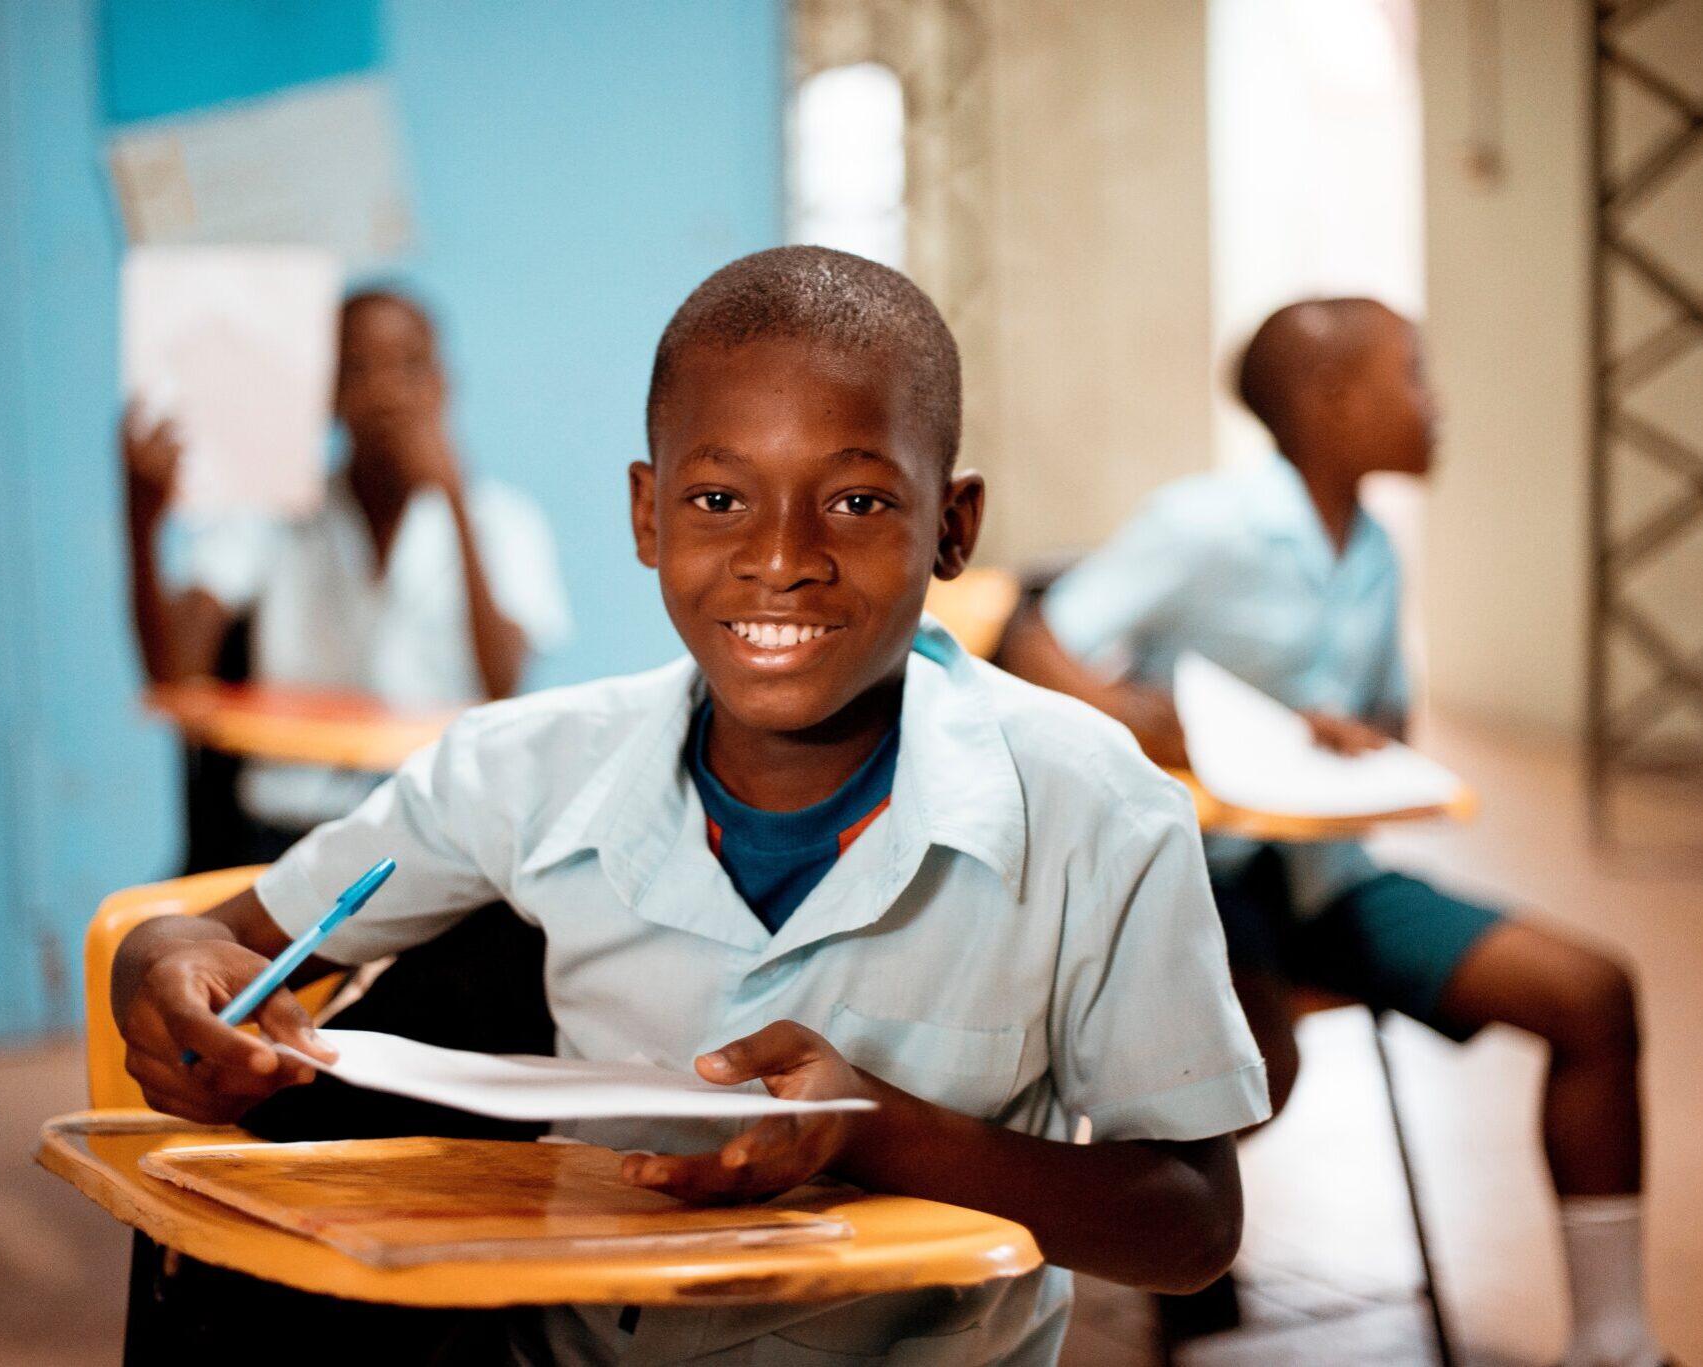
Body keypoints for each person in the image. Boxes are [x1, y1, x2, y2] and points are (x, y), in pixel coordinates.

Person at [110, 246, 1271, 1363]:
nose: (781, 557)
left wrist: (888, 1129)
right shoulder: (524, 766)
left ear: (953, 525)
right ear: (647, 514)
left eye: (859, 502)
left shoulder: (1096, 810)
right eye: (719, 496)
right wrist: (163, 972)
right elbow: (215, 938)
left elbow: (1189, 1225)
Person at [1001, 298, 1666, 1367]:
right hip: (1202, 883)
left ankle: (1612, 1342)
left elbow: (1387, 721)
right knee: (1251, 1063)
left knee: (1591, 995)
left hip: (1326, 874)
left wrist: (1350, 737)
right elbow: (1034, 638)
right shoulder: (1202, 523)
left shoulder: (1375, 552)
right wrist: (1149, 720)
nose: (1434, 404)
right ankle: (1176, 1265)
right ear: (1332, 401)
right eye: (1413, 375)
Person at [122, 288, 570, 854]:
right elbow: (174, 676)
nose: (385, 392)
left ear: (443, 385)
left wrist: (454, 499)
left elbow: (503, 683)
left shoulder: (504, 521)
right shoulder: (272, 513)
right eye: (358, 369)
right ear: (327, 395)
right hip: (286, 829)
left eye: (409, 367)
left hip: (439, 832)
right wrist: (142, 521)